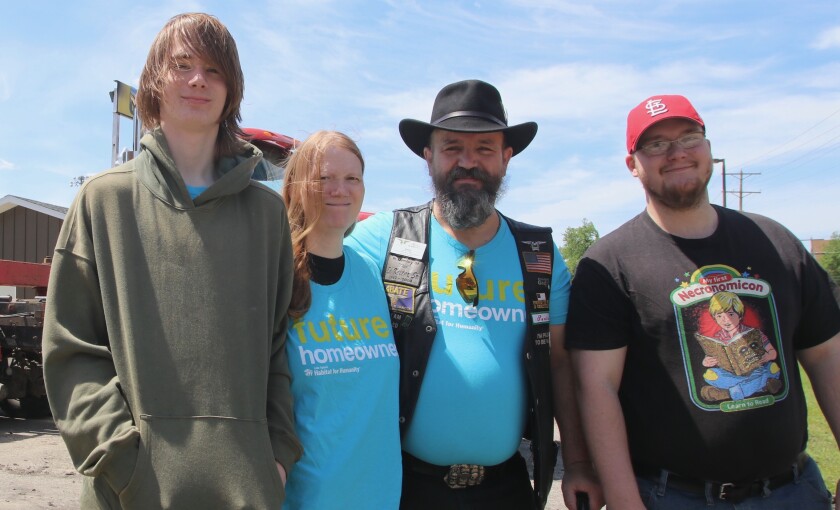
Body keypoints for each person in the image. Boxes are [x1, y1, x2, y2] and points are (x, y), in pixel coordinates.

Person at [42, 13, 301, 509]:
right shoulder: (103, 201)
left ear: (232, 89)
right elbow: (71, 353)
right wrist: (121, 461)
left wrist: (276, 458)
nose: (198, 79)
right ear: (155, 82)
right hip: (129, 493)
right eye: (182, 65)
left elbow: (276, 351)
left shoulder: (268, 214)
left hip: (248, 490)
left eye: (214, 69)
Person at [566, 94, 840, 509]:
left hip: (793, 491)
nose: (676, 153)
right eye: (656, 145)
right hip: (671, 495)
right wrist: (624, 499)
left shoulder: (778, 243)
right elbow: (596, 385)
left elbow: (826, 358)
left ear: (709, 150)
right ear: (633, 165)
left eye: (689, 138)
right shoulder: (609, 263)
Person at [346, 79, 602, 510]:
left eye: (484, 148)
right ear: (428, 157)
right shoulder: (382, 240)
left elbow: (559, 365)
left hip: (507, 491)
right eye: (451, 148)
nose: (468, 162)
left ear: (506, 157)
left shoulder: (538, 256)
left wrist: (576, 463)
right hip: (402, 488)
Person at [279, 131, 402, 509]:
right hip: (306, 498)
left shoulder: (369, 272)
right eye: (324, 178)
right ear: (299, 187)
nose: (340, 189)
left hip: (381, 495)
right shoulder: (276, 275)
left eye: (353, 179)